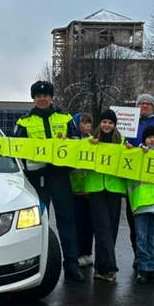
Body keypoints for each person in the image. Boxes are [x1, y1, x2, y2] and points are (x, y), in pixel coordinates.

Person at [13, 81, 84, 283]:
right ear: (33, 98)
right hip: (38, 178)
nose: (43, 99)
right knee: (38, 223)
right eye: (38, 96)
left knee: (67, 221)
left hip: (61, 176)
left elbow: (77, 141)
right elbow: (18, 150)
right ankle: (37, 265)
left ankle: (72, 265)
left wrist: (69, 143)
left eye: (46, 95)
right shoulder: (24, 122)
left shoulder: (65, 117)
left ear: (52, 97)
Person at [124, 93, 154, 264]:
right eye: (141, 103)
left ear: (153, 106)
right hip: (135, 183)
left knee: (153, 233)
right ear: (136, 106)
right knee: (136, 226)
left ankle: (149, 263)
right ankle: (139, 257)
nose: (144, 106)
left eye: (148, 104)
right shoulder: (128, 121)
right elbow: (120, 145)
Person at [84, 110, 127, 282]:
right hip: (96, 189)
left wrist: (130, 150)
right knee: (102, 228)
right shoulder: (90, 141)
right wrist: (88, 145)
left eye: (110, 122)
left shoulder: (122, 142)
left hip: (114, 189)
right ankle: (110, 266)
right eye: (104, 122)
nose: (107, 125)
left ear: (115, 125)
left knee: (111, 230)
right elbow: (78, 153)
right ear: (99, 124)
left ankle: (101, 268)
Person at [128, 125, 154, 285]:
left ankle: (153, 269)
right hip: (142, 203)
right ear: (144, 139)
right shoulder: (138, 155)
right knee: (142, 238)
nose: (152, 140)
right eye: (149, 137)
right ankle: (143, 269)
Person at [71, 113, 95, 268]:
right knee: (77, 224)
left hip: (90, 189)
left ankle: (87, 252)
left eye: (89, 123)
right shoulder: (72, 141)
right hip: (76, 188)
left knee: (89, 224)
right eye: (83, 123)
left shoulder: (93, 141)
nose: (87, 126)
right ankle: (78, 253)